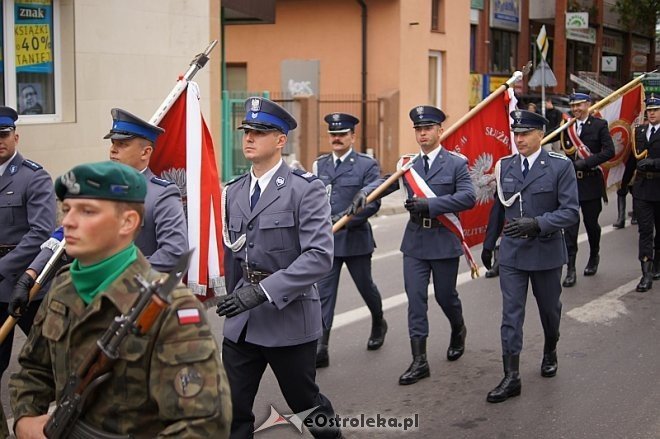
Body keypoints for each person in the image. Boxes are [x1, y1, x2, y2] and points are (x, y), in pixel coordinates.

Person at [9, 161, 231, 438]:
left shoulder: (171, 307)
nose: (67, 221)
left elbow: (204, 425)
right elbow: (33, 370)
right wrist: (24, 420)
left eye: (87, 211)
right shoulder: (63, 286)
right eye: (66, 209)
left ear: (128, 222)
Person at [217, 97, 341, 438]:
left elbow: (318, 257)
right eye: (246, 131)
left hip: (288, 317)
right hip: (242, 322)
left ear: (280, 140)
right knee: (231, 409)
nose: (249, 138)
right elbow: (232, 254)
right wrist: (233, 295)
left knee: (306, 404)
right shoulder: (233, 192)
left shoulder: (305, 190)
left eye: (259, 132)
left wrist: (262, 291)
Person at [7, 109, 190, 332]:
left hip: (136, 304)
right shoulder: (97, 191)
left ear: (146, 152)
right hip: (89, 305)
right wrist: (30, 274)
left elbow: (173, 251)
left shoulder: (161, 194)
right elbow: (62, 238)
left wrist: (114, 276)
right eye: (113, 143)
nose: (113, 149)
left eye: (123, 144)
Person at [349, 105, 476, 385]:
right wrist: (364, 193)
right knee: (416, 301)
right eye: (418, 129)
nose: (422, 133)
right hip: (415, 243)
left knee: (445, 296)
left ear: (440, 131)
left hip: (443, 241)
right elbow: (386, 183)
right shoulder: (408, 164)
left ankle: (458, 328)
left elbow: (469, 197)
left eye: (427, 128)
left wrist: (430, 204)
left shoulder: (456, 163)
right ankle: (420, 361)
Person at [482, 110, 579, 403]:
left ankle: (551, 348)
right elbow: (499, 207)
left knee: (550, 311)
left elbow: (571, 211)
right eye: (516, 133)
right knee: (511, 315)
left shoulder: (560, 166)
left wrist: (539, 223)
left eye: (525, 133)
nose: (519, 139)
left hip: (546, 251)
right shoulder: (506, 166)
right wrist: (488, 245)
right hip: (512, 253)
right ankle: (511, 377)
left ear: (541, 134)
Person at [312, 112, 386, 368]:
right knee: (324, 294)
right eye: (333, 134)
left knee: (366, 287)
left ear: (353, 136)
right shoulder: (319, 165)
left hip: (355, 240)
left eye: (342, 134)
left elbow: (373, 203)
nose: (337, 138)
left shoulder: (366, 165)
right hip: (327, 242)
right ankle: (322, 347)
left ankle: (378, 320)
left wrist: (345, 219)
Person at [0, 106, 56, 421]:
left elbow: (40, 234)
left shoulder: (32, 176)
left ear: (16, 136)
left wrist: (3, 268)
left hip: (28, 286)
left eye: (3, 135)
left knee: (48, 363)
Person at [560, 91, 615, 287]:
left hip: (591, 183)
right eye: (573, 106)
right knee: (570, 228)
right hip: (571, 185)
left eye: (580, 105)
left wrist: (586, 163)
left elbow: (609, 151)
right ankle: (571, 269)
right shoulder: (567, 127)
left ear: (588, 105)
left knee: (591, 224)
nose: (576, 109)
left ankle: (594, 255)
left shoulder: (599, 125)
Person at [631, 94, 660, 292]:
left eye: (655, 110)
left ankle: (657, 263)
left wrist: (654, 163)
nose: (651, 113)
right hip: (641, 189)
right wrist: (624, 184)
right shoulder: (639, 131)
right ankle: (646, 273)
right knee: (645, 231)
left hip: (659, 187)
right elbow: (631, 160)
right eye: (649, 110)